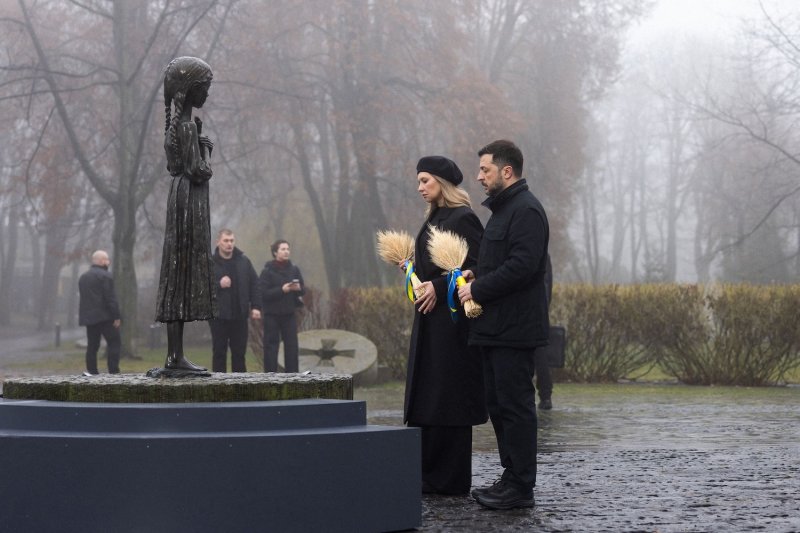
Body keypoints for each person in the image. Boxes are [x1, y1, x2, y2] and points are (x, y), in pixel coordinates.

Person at [458, 140, 550, 510]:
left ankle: (521, 486)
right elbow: (502, 264)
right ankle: (510, 476)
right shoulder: (504, 211)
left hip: (514, 330)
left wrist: (477, 288)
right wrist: (474, 273)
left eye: (485, 170)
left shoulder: (526, 211)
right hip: (496, 330)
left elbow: (523, 266)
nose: (479, 177)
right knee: (500, 406)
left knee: (516, 407)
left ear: (506, 171)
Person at [404, 156, 488, 495]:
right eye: (419, 181)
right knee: (430, 396)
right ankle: (429, 473)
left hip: (452, 327)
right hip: (430, 323)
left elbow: (479, 264)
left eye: (426, 180)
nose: (420, 187)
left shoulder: (462, 217)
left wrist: (438, 288)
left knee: (448, 397)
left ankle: (448, 478)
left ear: (442, 182)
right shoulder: (435, 217)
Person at [155, 56, 216, 372]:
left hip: (177, 199)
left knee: (175, 271)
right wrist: (205, 151)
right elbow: (198, 170)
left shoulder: (176, 127)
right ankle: (176, 358)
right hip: (189, 203)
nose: (206, 94)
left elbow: (174, 166)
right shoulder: (188, 127)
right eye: (204, 87)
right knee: (183, 271)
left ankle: (174, 355)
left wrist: (198, 140)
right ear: (191, 89)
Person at [209, 229, 262, 372]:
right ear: (218, 242)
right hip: (218, 316)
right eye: (226, 240)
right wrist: (219, 284)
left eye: (232, 241)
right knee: (219, 353)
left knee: (239, 354)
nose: (229, 244)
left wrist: (256, 306)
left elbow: (255, 284)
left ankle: (240, 388)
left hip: (239, 315)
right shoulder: (210, 263)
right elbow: (200, 288)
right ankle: (219, 388)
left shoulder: (243, 261)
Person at [258, 239, 305, 372]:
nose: (286, 252)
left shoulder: (294, 269)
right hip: (271, 315)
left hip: (289, 314)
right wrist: (281, 290)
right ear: (275, 252)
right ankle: (270, 378)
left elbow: (303, 290)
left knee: (292, 347)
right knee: (271, 347)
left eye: (288, 249)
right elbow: (262, 293)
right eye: (283, 249)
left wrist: (298, 288)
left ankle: (292, 378)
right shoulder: (267, 271)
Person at [78, 250, 121, 374]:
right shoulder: (106, 276)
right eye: (107, 259)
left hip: (90, 318)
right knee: (114, 342)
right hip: (105, 317)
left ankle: (92, 372)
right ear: (102, 261)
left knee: (92, 346)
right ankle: (113, 371)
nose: (108, 262)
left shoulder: (83, 277)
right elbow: (110, 298)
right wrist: (116, 316)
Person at [534, 254, 554, 410]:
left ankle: (545, 395)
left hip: (532, 315)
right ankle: (545, 395)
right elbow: (548, 287)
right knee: (541, 357)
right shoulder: (544, 257)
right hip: (539, 314)